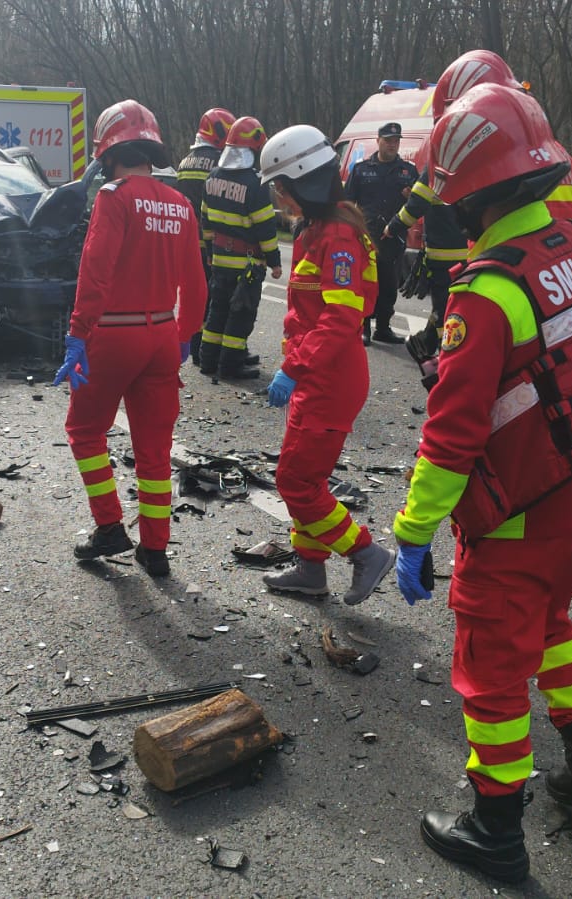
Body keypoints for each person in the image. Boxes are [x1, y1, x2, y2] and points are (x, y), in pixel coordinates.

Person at [391, 84, 572, 883]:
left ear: (466, 192)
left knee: (489, 665)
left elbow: (451, 436)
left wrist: (412, 531)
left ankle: (494, 826)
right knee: (550, 623)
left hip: (518, 513)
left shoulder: (486, 292)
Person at [56, 99, 207, 577]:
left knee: (84, 431)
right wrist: (185, 335)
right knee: (154, 448)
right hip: (161, 334)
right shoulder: (180, 204)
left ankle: (109, 527)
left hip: (114, 335)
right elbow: (196, 283)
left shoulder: (114, 197)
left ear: (107, 153)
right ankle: (154, 549)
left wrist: (77, 334)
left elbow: (95, 272)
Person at [255, 124, 396, 605]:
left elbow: (341, 318)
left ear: (302, 182)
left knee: (294, 481)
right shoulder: (318, 228)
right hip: (317, 373)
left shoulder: (337, 236)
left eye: (281, 188)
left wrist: (294, 368)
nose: (279, 198)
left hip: (329, 377)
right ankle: (310, 568)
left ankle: (365, 553)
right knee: (305, 478)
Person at [398, 51, 572, 382]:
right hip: (566, 311)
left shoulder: (499, 177)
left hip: (519, 321)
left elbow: (492, 276)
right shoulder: (561, 159)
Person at [197, 116, 280, 379]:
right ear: (254, 150)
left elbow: (205, 220)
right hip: (247, 265)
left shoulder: (212, 177)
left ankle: (208, 360)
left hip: (220, 260)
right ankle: (231, 365)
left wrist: (210, 252)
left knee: (217, 311)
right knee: (241, 315)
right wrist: (275, 261)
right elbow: (266, 228)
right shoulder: (255, 184)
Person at [344, 121, 418, 344]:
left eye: (396, 141)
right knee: (366, 283)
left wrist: (411, 198)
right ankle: (364, 326)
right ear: (378, 141)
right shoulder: (361, 169)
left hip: (394, 237)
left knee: (389, 285)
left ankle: (383, 328)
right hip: (367, 236)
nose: (392, 145)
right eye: (387, 140)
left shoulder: (408, 171)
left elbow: (419, 203)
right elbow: (347, 203)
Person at [175, 107, 235, 362]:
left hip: (189, 242)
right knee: (216, 298)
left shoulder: (184, 162)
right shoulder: (219, 162)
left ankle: (195, 345)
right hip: (215, 242)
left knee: (194, 294)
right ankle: (212, 350)